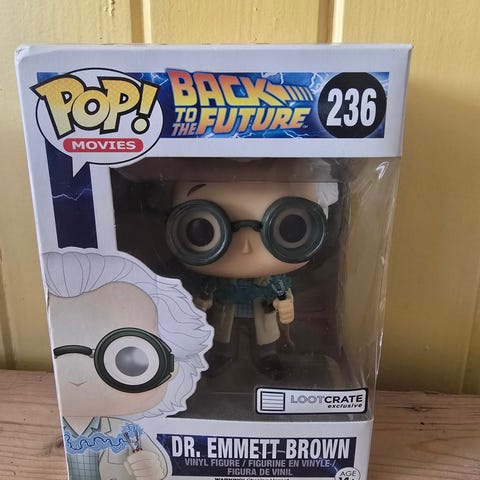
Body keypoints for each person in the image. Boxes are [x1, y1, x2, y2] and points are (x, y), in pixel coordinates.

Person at [44, 251, 212, 480]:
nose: (77, 372)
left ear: (170, 368)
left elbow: (157, 467)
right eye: (61, 349)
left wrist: (151, 469)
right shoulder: (44, 425)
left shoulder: (129, 433)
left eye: (127, 359)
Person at [166, 181, 337, 379]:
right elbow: (207, 292)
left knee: (264, 341)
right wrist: (201, 304)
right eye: (206, 230)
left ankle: (266, 357)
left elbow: (282, 293)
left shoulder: (274, 279)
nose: (246, 247)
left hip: (261, 310)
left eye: (288, 229)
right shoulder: (217, 279)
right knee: (224, 339)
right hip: (227, 310)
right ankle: (222, 356)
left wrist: (285, 304)